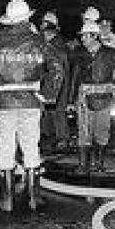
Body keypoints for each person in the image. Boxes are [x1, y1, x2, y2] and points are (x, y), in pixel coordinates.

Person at [0, 0, 63, 212]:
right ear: (27, 18)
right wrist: (48, 95)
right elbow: (57, 69)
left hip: (3, 103)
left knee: (6, 148)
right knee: (30, 147)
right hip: (30, 101)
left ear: (8, 19)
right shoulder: (39, 41)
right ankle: (34, 198)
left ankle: (6, 200)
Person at [68, 20, 115, 173]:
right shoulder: (80, 54)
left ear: (94, 36)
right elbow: (74, 77)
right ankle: (84, 165)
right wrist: (71, 100)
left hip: (103, 99)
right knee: (83, 132)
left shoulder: (110, 53)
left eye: (85, 36)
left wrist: (114, 85)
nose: (82, 39)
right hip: (84, 99)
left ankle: (98, 163)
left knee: (102, 132)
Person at [39, 11, 71, 152]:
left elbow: (57, 69)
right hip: (52, 83)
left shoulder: (57, 46)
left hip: (57, 84)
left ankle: (60, 139)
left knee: (58, 112)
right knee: (51, 113)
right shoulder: (55, 44)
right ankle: (54, 139)